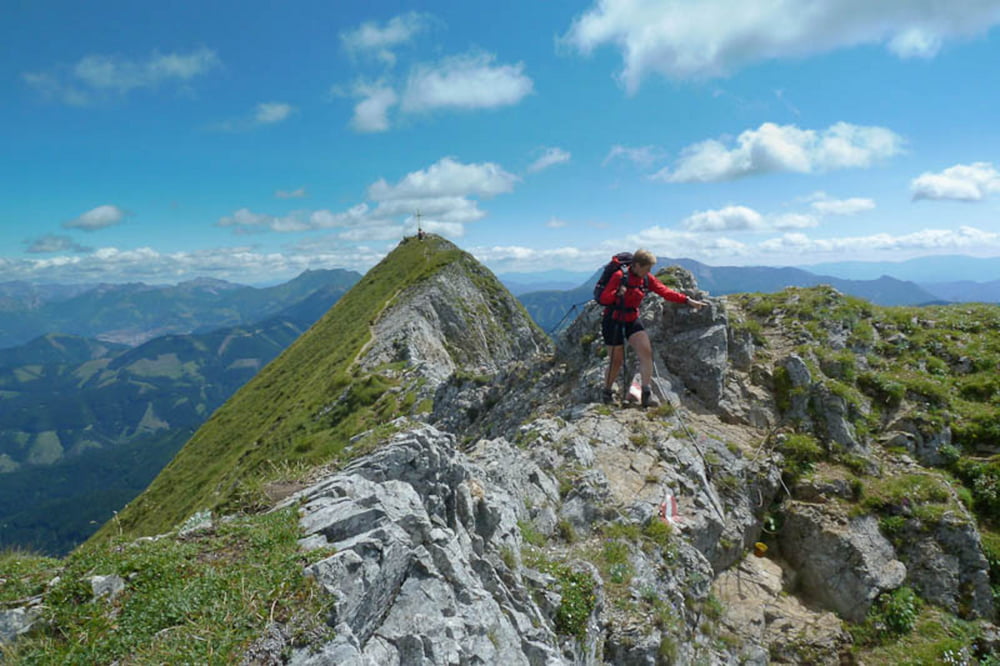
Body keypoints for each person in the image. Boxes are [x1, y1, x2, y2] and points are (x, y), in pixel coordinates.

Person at [598, 249, 706, 407]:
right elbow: (603, 298)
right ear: (636, 265)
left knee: (646, 351)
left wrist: (687, 300)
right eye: (647, 268)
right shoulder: (619, 277)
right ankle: (607, 392)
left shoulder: (646, 279)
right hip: (613, 320)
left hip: (631, 319)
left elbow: (664, 291)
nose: (649, 272)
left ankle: (646, 393)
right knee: (616, 360)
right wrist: (617, 294)